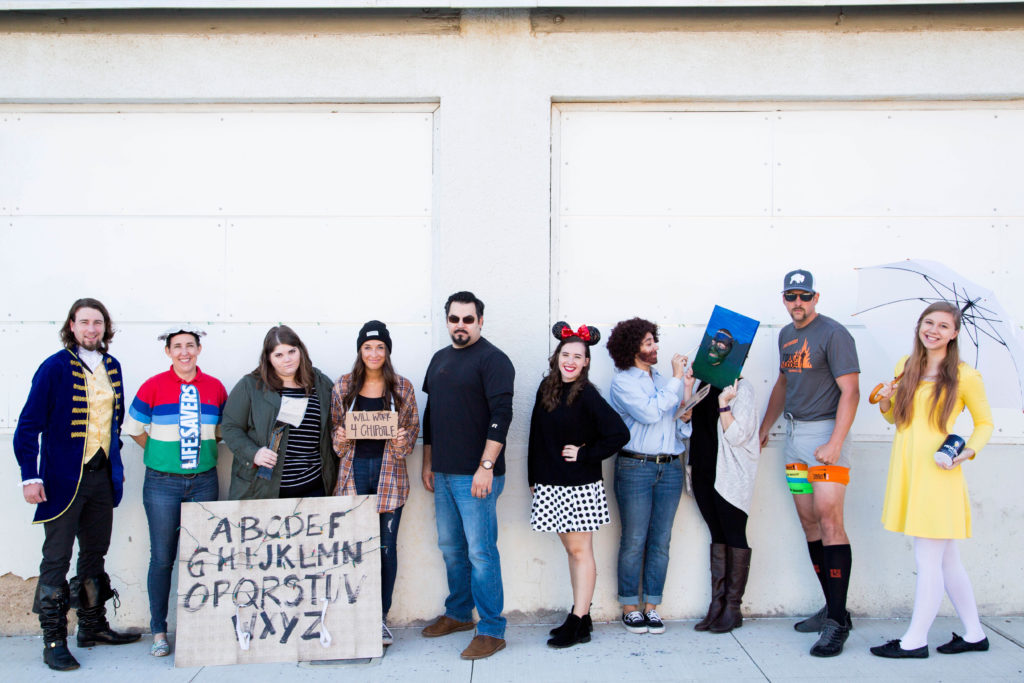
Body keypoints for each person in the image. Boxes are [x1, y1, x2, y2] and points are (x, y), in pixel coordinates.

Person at [13, 298, 140, 672]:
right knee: (56, 558)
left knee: (94, 554)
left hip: (101, 477)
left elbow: (112, 424)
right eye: (84, 322)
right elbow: (28, 426)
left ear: (105, 327)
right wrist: (30, 475)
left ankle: (92, 627)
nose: (91, 329)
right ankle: (53, 640)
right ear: (72, 326)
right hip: (62, 480)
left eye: (97, 323)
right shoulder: (53, 368)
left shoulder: (112, 367)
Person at [868, 302, 994, 659]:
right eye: (928, 323)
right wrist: (886, 402)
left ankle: (914, 641)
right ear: (919, 326)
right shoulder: (904, 367)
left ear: (954, 333)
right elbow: (896, 420)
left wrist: (968, 452)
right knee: (947, 560)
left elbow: (985, 423)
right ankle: (974, 634)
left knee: (928, 559)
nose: (933, 330)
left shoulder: (966, 375)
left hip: (939, 472)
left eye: (943, 325)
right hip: (909, 467)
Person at [759, 269, 860, 657]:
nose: (797, 303)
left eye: (804, 296)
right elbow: (784, 383)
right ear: (784, 299)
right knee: (809, 521)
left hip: (824, 438)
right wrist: (766, 426)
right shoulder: (787, 335)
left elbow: (850, 392)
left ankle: (837, 623)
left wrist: (835, 442)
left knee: (830, 519)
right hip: (795, 442)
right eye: (790, 296)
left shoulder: (834, 334)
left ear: (816, 297)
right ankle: (833, 609)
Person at [420, 291, 514, 660]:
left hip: (476, 476)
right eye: (454, 319)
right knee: (451, 548)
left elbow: (502, 415)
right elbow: (432, 414)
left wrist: (486, 467)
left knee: (481, 553)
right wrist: (428, 462)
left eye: (468, 319)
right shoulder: (439, 359)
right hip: (443, 472)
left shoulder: (494, 360)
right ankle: (459, 613)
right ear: (447, 320)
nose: (461, 326)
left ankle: (492, 629)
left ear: (480, 321)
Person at [123, 326, 227, 657]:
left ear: (199, 349)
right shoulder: (153, 386)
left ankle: (200, 629)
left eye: (190, 346)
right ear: (168, 352)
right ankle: (158, 630)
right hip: (161, 483)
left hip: (204, 480)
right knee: (163, 556)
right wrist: (157, 452)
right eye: (177, 347)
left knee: (203, 557)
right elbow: (135, 429)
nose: (185, 352)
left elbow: (223, 431)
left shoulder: (214, 387)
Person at [528, 322, 629, 648]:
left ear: (586, 362)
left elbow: (618, 434)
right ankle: (581, 619)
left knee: (580, 550)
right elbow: (535, 437)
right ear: (557, 356)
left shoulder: (587, 395)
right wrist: (533, 479)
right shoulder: (547, 388)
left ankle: (578, 618)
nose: (570, 360)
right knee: (572, 551)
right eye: (566, 354)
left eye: (578, 356)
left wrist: (587, 453)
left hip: (579, 486)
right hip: (551, 484)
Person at [331, 320, 419, 647]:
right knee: (352, 550)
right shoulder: (343, 387)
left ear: (388, 351)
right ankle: (353, 615)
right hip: (353, 476)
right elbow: (336, 442)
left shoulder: (402, 387)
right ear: (359, 350)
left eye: (380, 347)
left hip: (389, 476)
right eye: (368, 347)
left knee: (385, 550)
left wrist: (401, 438)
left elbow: (411, 433)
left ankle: (380, 618)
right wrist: (340, 437)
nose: (374, 353)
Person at [606, 317, 690, 635]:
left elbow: (672, 424)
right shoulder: (623, 381)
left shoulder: (661, 380)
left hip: (670, 466)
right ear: (632, 349)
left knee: (661, 540)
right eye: (647, 343)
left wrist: (685, 416)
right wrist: (678, 379)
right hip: (635, 467)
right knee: (634, 540)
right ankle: (630, 606)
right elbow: (651, 413)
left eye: (654, 340)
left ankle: (652, 606)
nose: (654, 347)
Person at [683, 363, 760, 634]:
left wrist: (724, 405)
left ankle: (732, 608)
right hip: (704, 471)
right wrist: (688, 386)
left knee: (734, 534)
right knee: (717, 534)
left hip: (730, 475)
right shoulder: (704, 385)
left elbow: (738, 436)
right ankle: (717, 605)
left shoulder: (742, 388)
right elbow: (684, 418)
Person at [222, 325, 337, 500]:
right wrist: (254, 453)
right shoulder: (251, 386)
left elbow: (334, 425)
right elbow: (230, 427)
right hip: (264, 490)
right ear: (268, 358)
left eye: (292, 351)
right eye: (279, 355)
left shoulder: (320, 384)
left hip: (313, 487)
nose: (287, 359)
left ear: (301, 351)